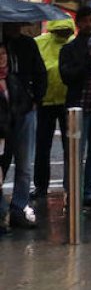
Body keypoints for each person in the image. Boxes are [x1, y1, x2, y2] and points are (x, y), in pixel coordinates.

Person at [59, 6, 91, 209]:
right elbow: (68, 77)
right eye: (86, 21)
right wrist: (89, 60)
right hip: (78, 109)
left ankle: (88, 193)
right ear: (78, 23)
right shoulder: (70, 49)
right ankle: (73, 193)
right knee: (75, 154)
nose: (90, 24)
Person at [1, 22, 46, 229]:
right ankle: (3, 210)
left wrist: (37, 98)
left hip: (25, 107)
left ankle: (18, 207)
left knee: (24, 163)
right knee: (3, 162)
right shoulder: (4, 44)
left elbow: (40, 72)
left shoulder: (27, 44)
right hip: (4, 109)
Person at [32, 18, 74, 201]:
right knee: (42, 147)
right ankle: (41, 186)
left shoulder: (74, 44)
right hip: (45, 102)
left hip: (68, 102)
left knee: (70, 147)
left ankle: (70, 185)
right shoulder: (39, 42)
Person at [1, 41, 33, 234]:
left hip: (14, 131)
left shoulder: (12, 79)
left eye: (3, 53)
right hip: (2, 135)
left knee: (24, 168)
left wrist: (17, 111)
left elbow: (23, 101)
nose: (1, 57)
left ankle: (16, 210)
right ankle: (3, 213)